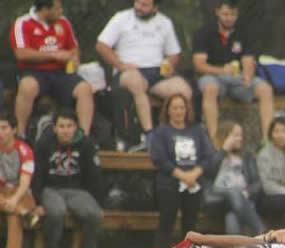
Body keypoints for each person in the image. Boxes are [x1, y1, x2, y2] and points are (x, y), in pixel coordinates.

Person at [96, 0, 192, 151]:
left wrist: (170, 64)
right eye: (138, 3)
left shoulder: (164, 22)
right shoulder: (121, 18)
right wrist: (121, 65)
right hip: (128, 71)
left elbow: (174, 53)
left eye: (145, 5)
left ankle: (173, 133)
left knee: (184, 90)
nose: (139, 7)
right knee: (136, 82)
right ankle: (149, 135)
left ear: (155, 7)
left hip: (156, 72)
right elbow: (102, 45)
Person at [192, 0, 274, 140]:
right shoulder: (204, 32)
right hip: (212, 77)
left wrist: (248, 76)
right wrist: (221, 71)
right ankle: (214, 139)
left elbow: (248, 60)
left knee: (265, 89)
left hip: (237, 78)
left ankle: (267, 139)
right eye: (225, 14)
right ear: (217, 12)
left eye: (232, 14)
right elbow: (199, 65)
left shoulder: (243, 32)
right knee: (210, 88)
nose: (229, 18)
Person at [10, 0, 94, 137]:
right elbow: (21, 53)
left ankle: (83, 136)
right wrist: (54, 55)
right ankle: (20, 134)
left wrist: (74, 58)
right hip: (34, 71)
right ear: (44, 9)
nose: (61, 12)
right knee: (27, 86)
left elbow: (73, 47)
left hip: (60, 72)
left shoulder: (63, 22)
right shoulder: (23, 23)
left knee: (84, 88)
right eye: (57, 9)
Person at [31, 108, 103, 248]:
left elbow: (94, 175)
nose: (65, 130)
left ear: (76, 127)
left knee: (94, 214)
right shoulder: (43, 143)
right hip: (50, 189)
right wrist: (36, 202)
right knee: (57, 212)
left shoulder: (86, 144)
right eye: (62, 126)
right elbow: (36, 175)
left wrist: (95, 199)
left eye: (69, 126)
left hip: (77, 190)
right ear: (55, 128)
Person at [149, 94, 216, 248]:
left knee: (191, 225)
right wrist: (182, 175)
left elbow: (208, 156)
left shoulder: (197, 130)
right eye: (175, 108)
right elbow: (159, 159)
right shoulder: (161, 132)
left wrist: (194, 174)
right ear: (168, 110)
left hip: (194, 185)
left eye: (181, 107)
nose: (178, 111)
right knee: (166, 224)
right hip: (169, 185)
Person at [204, 121, 265, 235]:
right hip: (216, 198)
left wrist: (247, 191)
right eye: (236, 135)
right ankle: (260, 230)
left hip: (242, 199)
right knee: (234, 191)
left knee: (232, 216)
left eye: (240, 135)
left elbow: (257, 183)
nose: (240, 138)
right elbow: (208, 172)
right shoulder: (212, 153)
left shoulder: (247, 156)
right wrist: (224, 150)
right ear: (225, 136)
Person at [0, 112, 36, 248]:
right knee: (15, 211)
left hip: (21, 194)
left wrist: (14, 200)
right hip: (2, 192)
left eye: (4, 128)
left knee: (13, 215)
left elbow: (25, 182)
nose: (0, 132)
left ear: (14, 130)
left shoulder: (24, 150)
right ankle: (24, 212)